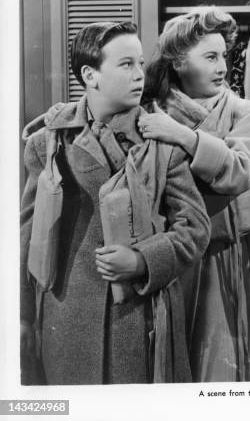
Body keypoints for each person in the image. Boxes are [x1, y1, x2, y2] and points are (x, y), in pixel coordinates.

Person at [20, 21, 210, 384]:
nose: (140, 74)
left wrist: (143, 260)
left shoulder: (162, 141)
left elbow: (196, 229)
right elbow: (26, 236)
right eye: (126, 65)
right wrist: (22, 316)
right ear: (91, 75)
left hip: (141, 320)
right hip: (68, 321)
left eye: (140, 63)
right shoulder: (48, 143)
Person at [138, 7, 250, 382]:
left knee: (215, 358)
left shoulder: (244, 111)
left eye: (223, 54)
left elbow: (242, 172)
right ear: (178, 63)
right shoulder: (150, 110)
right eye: (210, 57)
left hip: (218, 253)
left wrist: (184, 137)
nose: (223, 66)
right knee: (165, 357)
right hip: (166, 249)